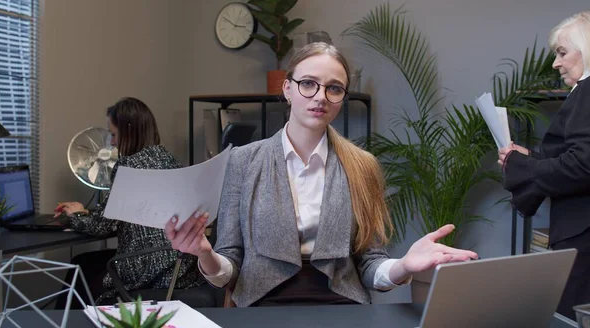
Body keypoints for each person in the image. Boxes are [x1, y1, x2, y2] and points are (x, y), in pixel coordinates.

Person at [165, 42, 478, 308]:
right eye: (308, 83)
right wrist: (206, 255)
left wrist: (403, 266)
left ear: (342, 97)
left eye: (334, 88)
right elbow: (230, 268)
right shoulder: (243, 162)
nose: (320, 97)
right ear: (287, 88)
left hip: (342, 304)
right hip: (262, 306)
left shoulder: (362, 165)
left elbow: (370, 265)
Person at [55, 97, 203, 308]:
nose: (112, 143)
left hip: (149, 267)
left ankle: (66, 326)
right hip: (180, 267)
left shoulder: (129, 166)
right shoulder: (169, 160)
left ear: (129, 130)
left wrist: (75, 215)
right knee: (86, 262)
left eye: (113, 135)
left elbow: (104, 226)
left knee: (81, 267)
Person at [498, 11, 590, 320]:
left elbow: (582, 166)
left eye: (562, 52)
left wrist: (520, 166)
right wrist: (526, 161)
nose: (556, 63)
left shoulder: (587, 93)